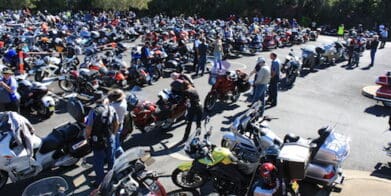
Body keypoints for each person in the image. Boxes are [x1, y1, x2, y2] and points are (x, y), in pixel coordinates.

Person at [85, 95, 119, 186]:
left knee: (98, 160)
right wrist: (113, 134)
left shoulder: (93, 112)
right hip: (109, 137)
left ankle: (100, 181)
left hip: (97, 140)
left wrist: (87, 138)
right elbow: (116, 123)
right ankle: (112, 177)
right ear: (104, 100)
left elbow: (88, 128)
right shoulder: (111, 109)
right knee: (111, 158)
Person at [107, 89, 127, 157]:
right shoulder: (123, 101)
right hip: (119, 123)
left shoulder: (115, 106)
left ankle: (124, 158)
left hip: (115, 126)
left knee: (116, 145)